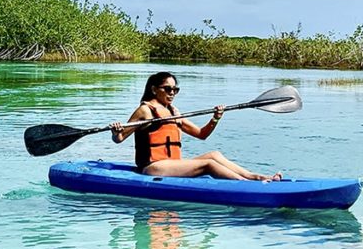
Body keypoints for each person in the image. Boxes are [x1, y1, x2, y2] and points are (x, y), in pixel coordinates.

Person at [110, 71, 281, 181]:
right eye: (167, 89)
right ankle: (246, 185)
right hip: (153, 167)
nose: (172, 93)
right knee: (208, 165)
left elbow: (201, 134)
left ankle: (255, 177)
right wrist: (116, 131)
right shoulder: (145, 111)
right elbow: (119, 138)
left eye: (175, 90)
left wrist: (216, 118)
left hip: (173, 164)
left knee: (214, 155)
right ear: (154, 90)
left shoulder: (174, 111)